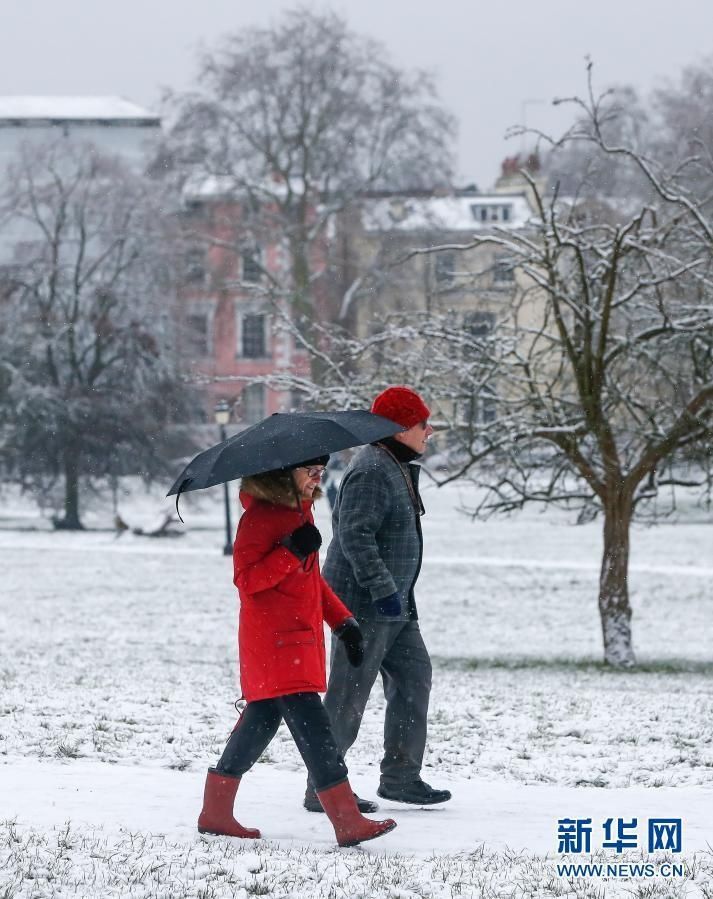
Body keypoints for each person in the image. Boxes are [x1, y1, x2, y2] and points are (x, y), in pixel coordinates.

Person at [197, 455, 396, 847]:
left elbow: (311, 584)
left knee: (259, 723)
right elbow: (247, 580)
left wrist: (343, 623)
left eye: (320, 472)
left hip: (297, 642)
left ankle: (216, 813)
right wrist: (289, 551)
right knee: (317, 732)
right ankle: (347, 822)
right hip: (274, 645)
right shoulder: (260, 520)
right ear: (281, 472)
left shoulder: (302, 515)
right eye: (309, 471)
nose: (316, 478)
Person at [304, 386, 452, 811]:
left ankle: (401, 777)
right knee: (349, 695)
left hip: (396, 604)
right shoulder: (371, 469)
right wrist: (383, 590)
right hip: (365, 604)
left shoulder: (395, 465)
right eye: (424, 423)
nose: (430, 430)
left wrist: (397, 596)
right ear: (402, 427)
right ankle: (322, 787)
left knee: (413, 678)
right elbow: (355, 535)